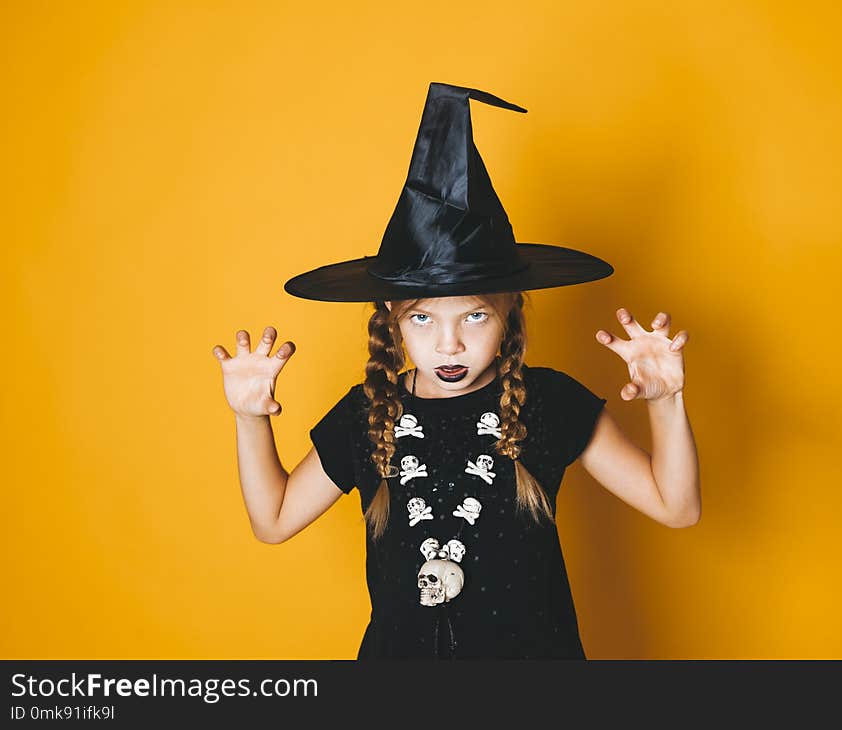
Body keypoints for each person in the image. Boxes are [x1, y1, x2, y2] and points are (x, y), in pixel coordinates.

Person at [211, 83, 701, 659]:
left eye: (475, 315)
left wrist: (665, 401)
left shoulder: (550, 401)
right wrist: (249, 418)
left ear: (511, 310)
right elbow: (272, 520)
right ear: (392, 317)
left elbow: (677, 506)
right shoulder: (370, 414)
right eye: (422, 319)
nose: (450, 344)